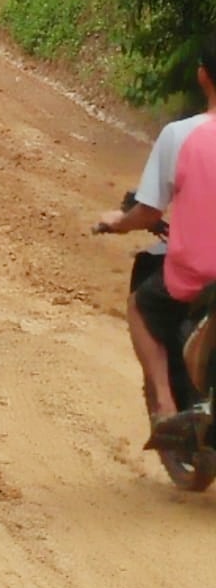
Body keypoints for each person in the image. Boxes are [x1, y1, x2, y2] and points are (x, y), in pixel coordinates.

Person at [95, 33, 216, 447]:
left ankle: (165, 407)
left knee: (140, 306)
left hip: (198, 274)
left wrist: (115, 222)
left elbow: (148, 212)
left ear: (203, 76)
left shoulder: (179, 136)